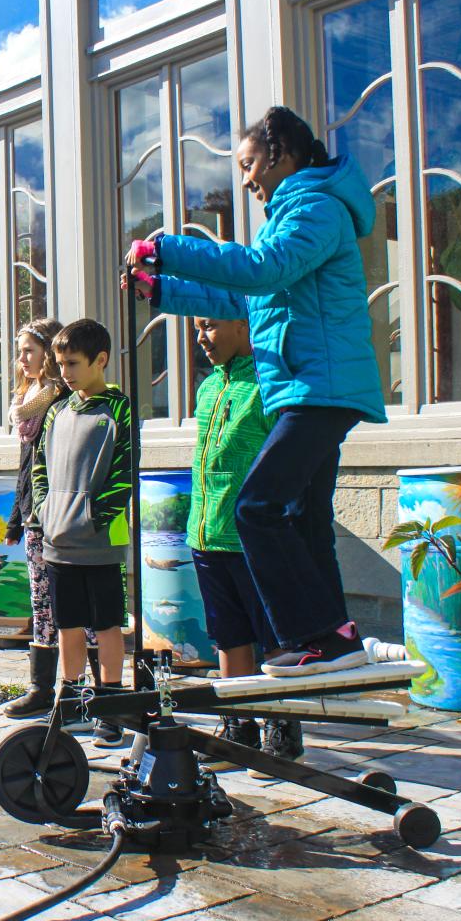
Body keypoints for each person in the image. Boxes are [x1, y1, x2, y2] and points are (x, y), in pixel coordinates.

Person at [126, 105, 385, 678]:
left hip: (319, 386)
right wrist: (161, 289)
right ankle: (336, 637)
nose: (246, 180)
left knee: (256, 506)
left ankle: (307, 635)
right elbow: (243, 302)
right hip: (304, 385)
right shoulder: (293, 215)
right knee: (302, 516)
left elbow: (263, 270)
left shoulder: (316, 209)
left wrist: (169, 247)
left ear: (281, 154)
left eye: (249, 165)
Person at [180, 316, 300, 768]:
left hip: (252, 537)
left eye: (209, 326)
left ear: (242, 326)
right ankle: (238, 727)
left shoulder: (269, 385)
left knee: (273, 639)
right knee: (228, 636)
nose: (201, 338)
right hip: (206, 532)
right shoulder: (209, 386)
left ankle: (281, 727)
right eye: (197, 329)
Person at [31, 319, 134, 747]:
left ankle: (110, 703)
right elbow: (40, 467)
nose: (65, 372)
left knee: (107, 625)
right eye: (60, 363)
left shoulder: (119, 408)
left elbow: (125, 471)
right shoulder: (56, 410)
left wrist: (92, 516)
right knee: (68, 624)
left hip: (102, 543)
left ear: (100, 360)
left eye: (72, 363)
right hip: (58, 542)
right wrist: (45, 509)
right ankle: (71, 697)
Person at [0, 317, 75, 719]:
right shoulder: (30, 403)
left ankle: (85, 690)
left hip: (61, 519)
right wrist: (16, 517)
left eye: (29, 350)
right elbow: (26, 467)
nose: (22, 359)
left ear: (49, 352)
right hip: (34, 517)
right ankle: (41, 689)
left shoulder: (60, 401)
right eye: (19, 351)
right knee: (42, 604)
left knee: (73, 604)